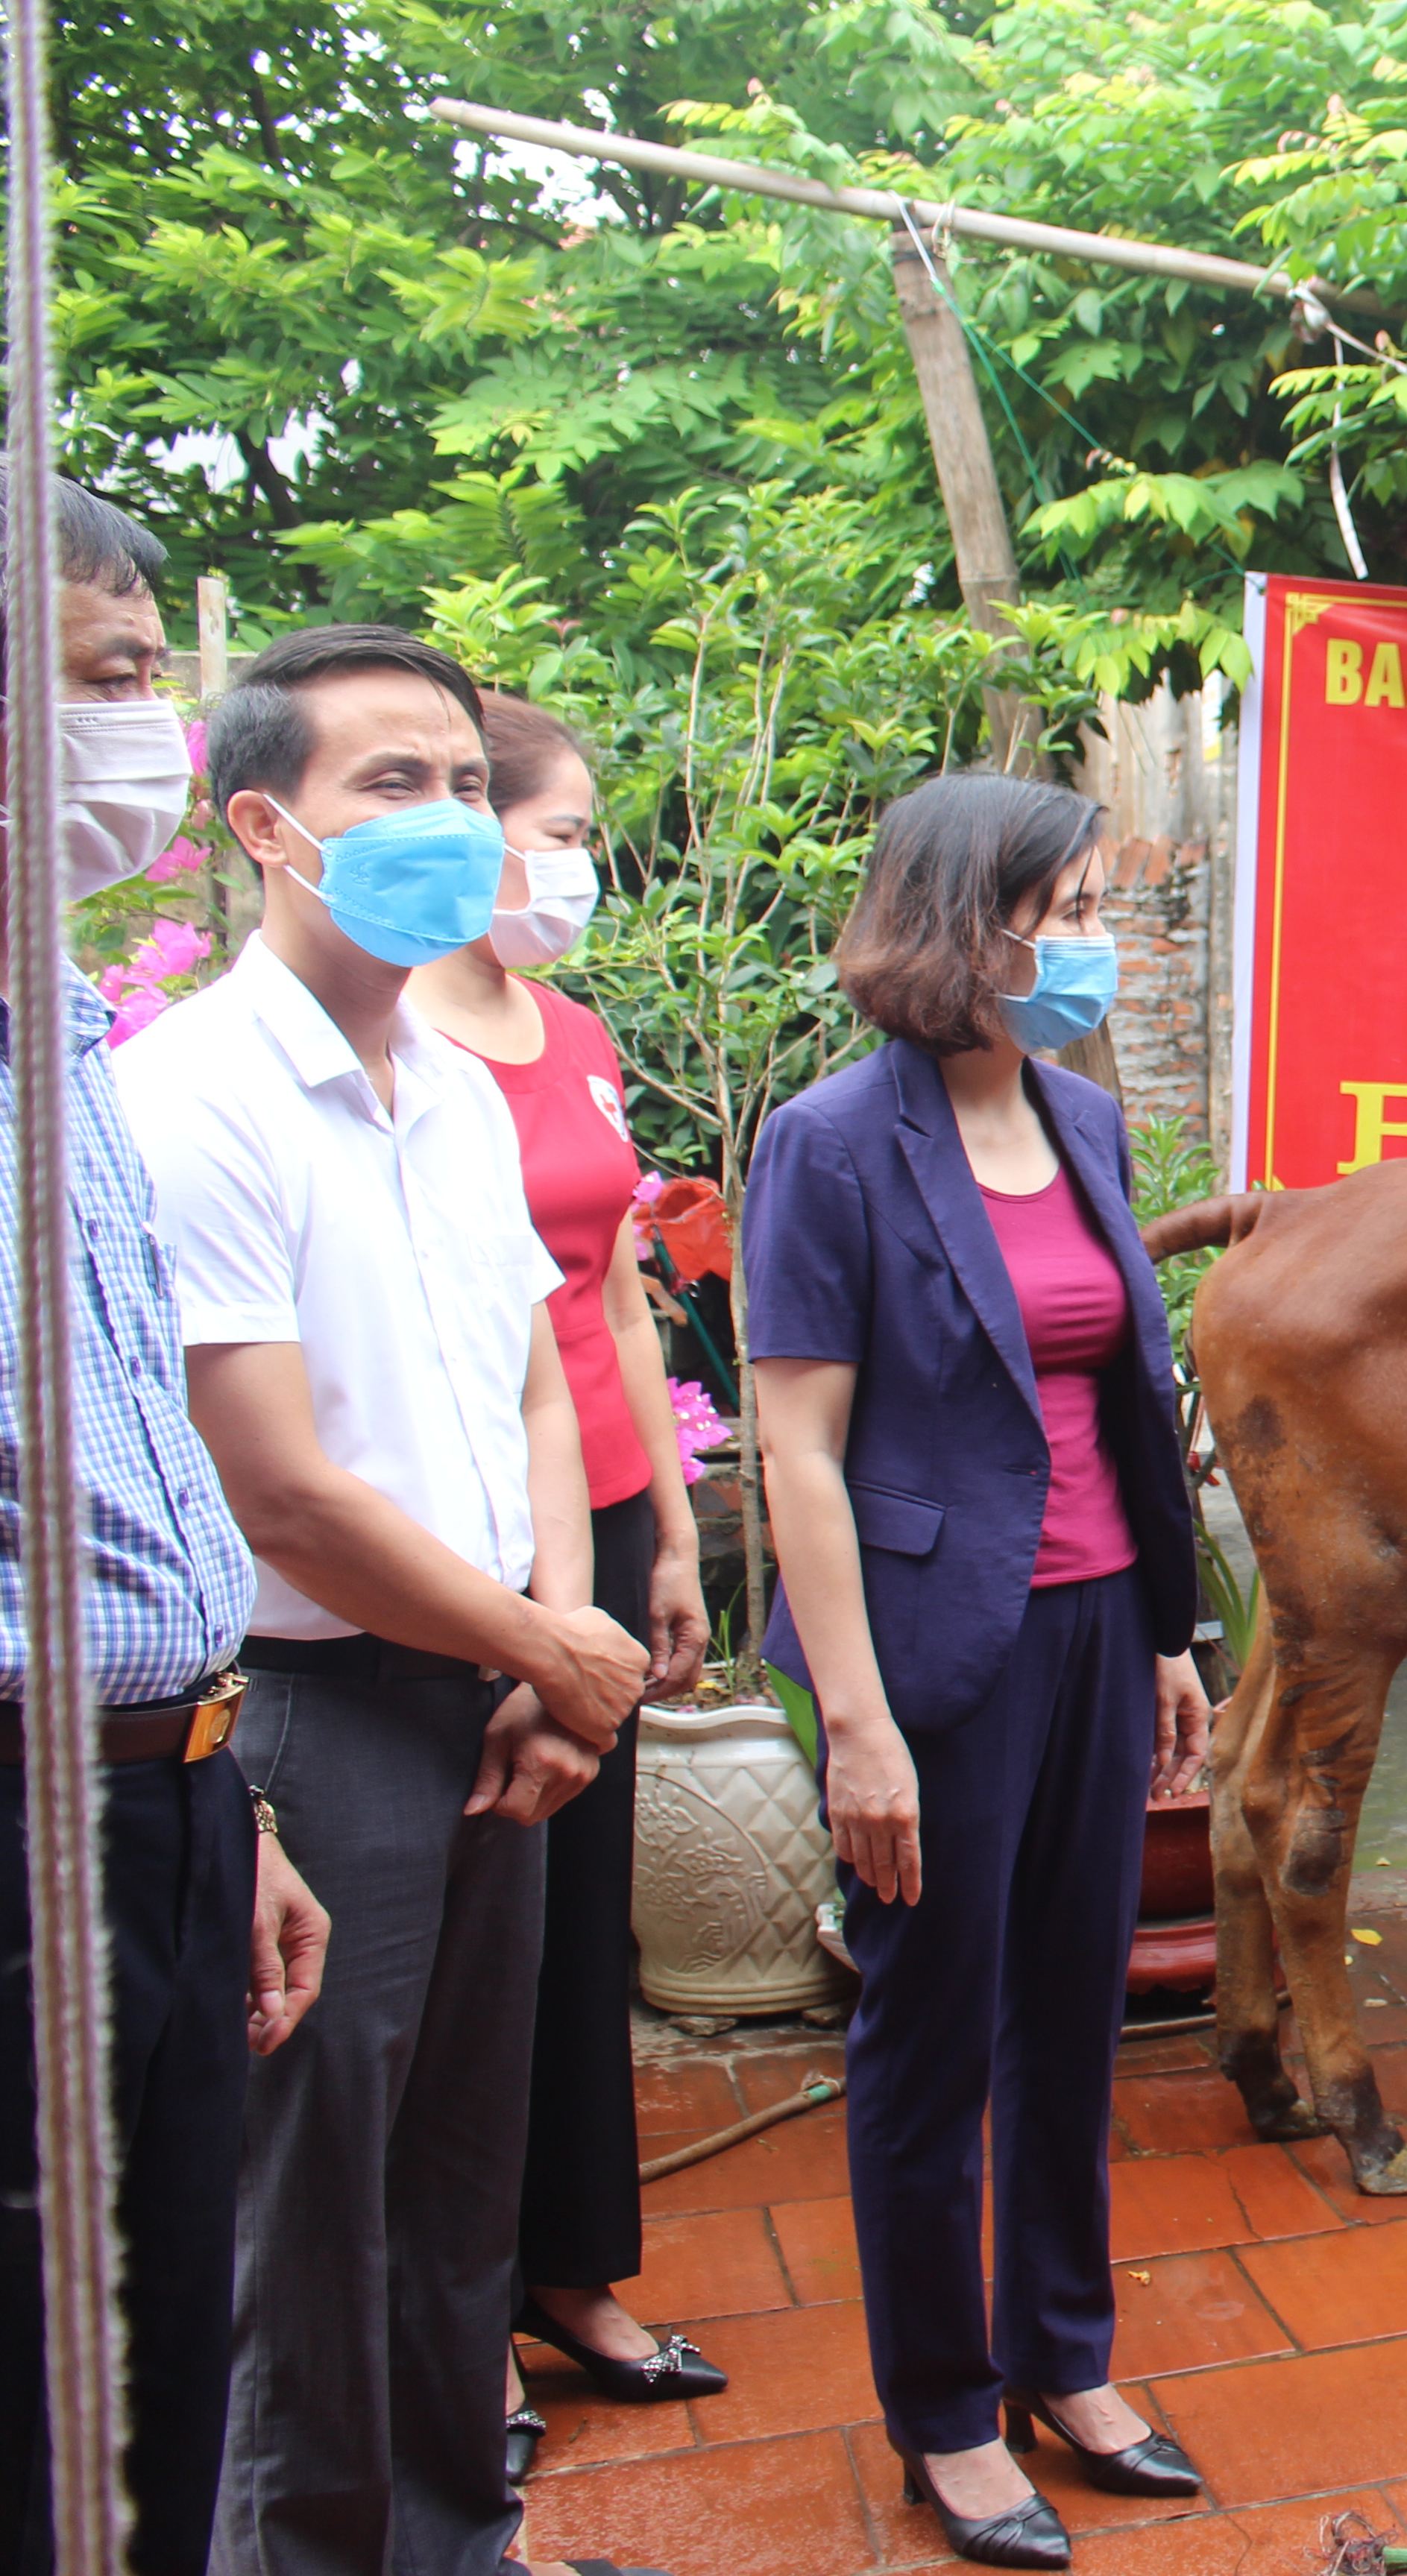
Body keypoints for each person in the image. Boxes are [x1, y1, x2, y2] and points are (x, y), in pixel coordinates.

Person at [121, 624, 652, 2576]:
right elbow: (276, 1485)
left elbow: (538, 1374)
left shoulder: (441, 1083)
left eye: (459, 783)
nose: (448, 823)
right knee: (310, 2220)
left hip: (499, 1695)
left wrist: (552, 1644)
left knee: (457, 2194)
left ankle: (463, 2543)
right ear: (265, 824)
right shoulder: (189, 1099)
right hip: (309, 1718)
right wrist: (544, 1644)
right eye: (390, 787)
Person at [746, 771, 1212, 2569]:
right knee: (931, 2033)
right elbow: (798, 1452)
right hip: (937, 1656)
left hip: (1099, 1626)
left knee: (1074, 2011)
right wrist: (854, 1721)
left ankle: (1065, 2359)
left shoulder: (1082, 1120)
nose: (1097, 939)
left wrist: (1172, 1632)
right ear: (971, 922)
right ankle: (946, 2410)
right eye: (1072, 906)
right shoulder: (835, 1142)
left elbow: (1114, 1396)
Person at [0, 476, 327, 2576]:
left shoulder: (63, 1038)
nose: (158, 742)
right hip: (35, 1833)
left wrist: (234, 1793)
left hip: (170, 1801)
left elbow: (120, 1483)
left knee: (158, 2368)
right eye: (118, 681)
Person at [397, 693, 722, 2476]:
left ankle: (573, 2274)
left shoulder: (575, 1032)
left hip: (591, 1518)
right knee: (457, 1948)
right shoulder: (401, 1048)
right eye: (561, 826)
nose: (580, 862)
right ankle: (456, 2335)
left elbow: (606, 1298)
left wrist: (665, 1537)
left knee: (578, 1925)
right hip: (456, 1552)